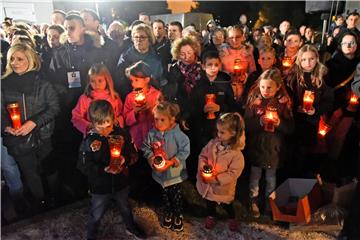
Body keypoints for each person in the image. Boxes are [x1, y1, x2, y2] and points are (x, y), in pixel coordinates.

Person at [1, 43, 60, 209]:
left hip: (43, 135)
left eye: (20, 59)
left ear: (31, 60)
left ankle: (55, 197)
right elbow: (0, 112)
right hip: (18, 138)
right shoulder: (3, 84)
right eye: (11, 59)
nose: (15, 62)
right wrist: (6, 127)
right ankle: (41, 203)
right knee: (30, 173)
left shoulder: (42, 83)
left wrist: (34, 122)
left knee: (49, 168)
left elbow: (54, 107)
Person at [79, 99, 146, 240]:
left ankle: (130, 227)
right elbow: (84, 165)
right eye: (99, 127)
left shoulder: (121, 134)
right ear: (92, 122)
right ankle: (91, 235)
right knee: (96, 213)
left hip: (120, 182)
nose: (105, 131)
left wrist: (124, 159)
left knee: (125, 207)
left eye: (108, 126)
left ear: (113, 119)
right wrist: (103, 169)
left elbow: (131, 153)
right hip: (99, 186)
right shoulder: (89, 141)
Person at [245, 68, 294, 217]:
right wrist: (259, 121)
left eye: (269, 87)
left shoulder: (283, 103)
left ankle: (269, 202)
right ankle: (253, 200)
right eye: (263, 87)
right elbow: (246, 124)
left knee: (271, 178)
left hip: (274, 148)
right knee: (255, 176)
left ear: (278, 87)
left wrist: (279, 123)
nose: (265, 90)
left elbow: (290, 128)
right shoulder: (254, 102)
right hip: (257, 146)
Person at [142, 101, 190, 232]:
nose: (158, 123)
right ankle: (168, 212)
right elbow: (145, 147)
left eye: (162, 120)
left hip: (174, 174)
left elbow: (185, 150)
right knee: (165, 196)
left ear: (171, 119)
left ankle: (178, 215)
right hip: (160, 174)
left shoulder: (178, 135)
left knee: (176, 196)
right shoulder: (152, 134)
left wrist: (173, 161)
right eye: (156, 119)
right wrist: (151, 158)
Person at [286, 44, 333, 178]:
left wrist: (315, 110)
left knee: (304, 151)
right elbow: (288, 96)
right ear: (299, 61)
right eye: (304, 59)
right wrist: (295, 107)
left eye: (311, 59)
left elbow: (328, 100)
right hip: (294, 120)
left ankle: (301, 179)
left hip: (311, 122)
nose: (308, 63)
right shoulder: (292, 76)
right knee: (291, 150)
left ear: (317, 59)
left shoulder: (323, 76)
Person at [196, 112, 245, 232]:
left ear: (233, 133)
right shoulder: (212, 144)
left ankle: (232, 218)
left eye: (222, 132)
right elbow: (202, 155)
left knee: (226, 205)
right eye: (218, 131)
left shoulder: (236, 154)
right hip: (207, 184)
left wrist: (217, 179)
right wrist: (203, 167)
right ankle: (211, 216)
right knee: (209, 202)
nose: (218, 134)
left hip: (222, 188)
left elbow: (233, 173)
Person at [190, 51, 235, 178]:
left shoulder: (225, 84)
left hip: (220, 128)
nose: (213, 68)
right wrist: (202, 109)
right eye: (209, 65)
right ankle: (202, 177)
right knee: (203, 154)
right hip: (202, 128)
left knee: (218, 155)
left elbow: (232, 105)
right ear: (203, 66)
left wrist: (220, 107)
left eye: (216, 64)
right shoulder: (198, 84)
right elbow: (192, 105)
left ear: (220, 65)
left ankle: (218, 177)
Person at [123, 61, 161, 198]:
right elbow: (126, 119)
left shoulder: (157, 95)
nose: (133, 83)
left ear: (147, 79)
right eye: (132, 80)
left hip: (153, 140)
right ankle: (138, 196)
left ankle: (154, 195)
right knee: (138, 168)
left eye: (136, 80)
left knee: (153, 168)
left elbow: (162, 116)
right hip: (137, 140)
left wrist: (151, 110)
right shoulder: (130, 97)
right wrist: (135, 112)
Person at [72, 63, 124, 136]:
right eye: (93, 81)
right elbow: (76, 117)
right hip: (93, 135)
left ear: (107, 80)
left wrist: (117, 121)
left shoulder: (114, 97)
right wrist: (89, 126)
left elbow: (121, 114)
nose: (97, 85)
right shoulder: (85, 98)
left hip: (112, 134)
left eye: (100, 81)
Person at [116, 23, 163, 100]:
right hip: (131, 97)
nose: (139, 40)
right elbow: (119, 81)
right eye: (136, 37)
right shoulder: (125, 57)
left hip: (152, 97)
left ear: (149, 39)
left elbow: (159, 79)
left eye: (142, 37)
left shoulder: (156, 58)